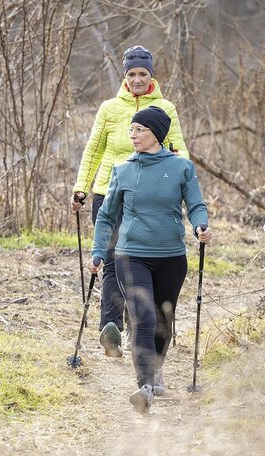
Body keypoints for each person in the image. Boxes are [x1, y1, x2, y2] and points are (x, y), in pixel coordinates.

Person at [88, 105, 212, 414]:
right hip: (132, 255)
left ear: (156, 133)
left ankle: (156, 368)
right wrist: (99, 251)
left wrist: (201, 226)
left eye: (139, 129)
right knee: (142, 316)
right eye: (131, 129)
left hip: (171, 256)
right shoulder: (122, 170)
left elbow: (196, 204)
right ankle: (144, 385)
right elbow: (106, 218)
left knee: (161, 320)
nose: (133, 134)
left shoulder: (182, 168)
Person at [72, 45, 190, 359]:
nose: (137, 79)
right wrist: (82, 187)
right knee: (111, 263)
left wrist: (182, 188)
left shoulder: (165, 108)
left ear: (151, 75)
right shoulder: (109, 109)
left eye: (142, 73)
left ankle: (140, 330)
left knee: (142, 265)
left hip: (150, 199)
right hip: (108, 194)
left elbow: (179, 152)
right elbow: (93, 150)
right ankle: (110, 329)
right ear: (124, 76)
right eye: (131, 74)